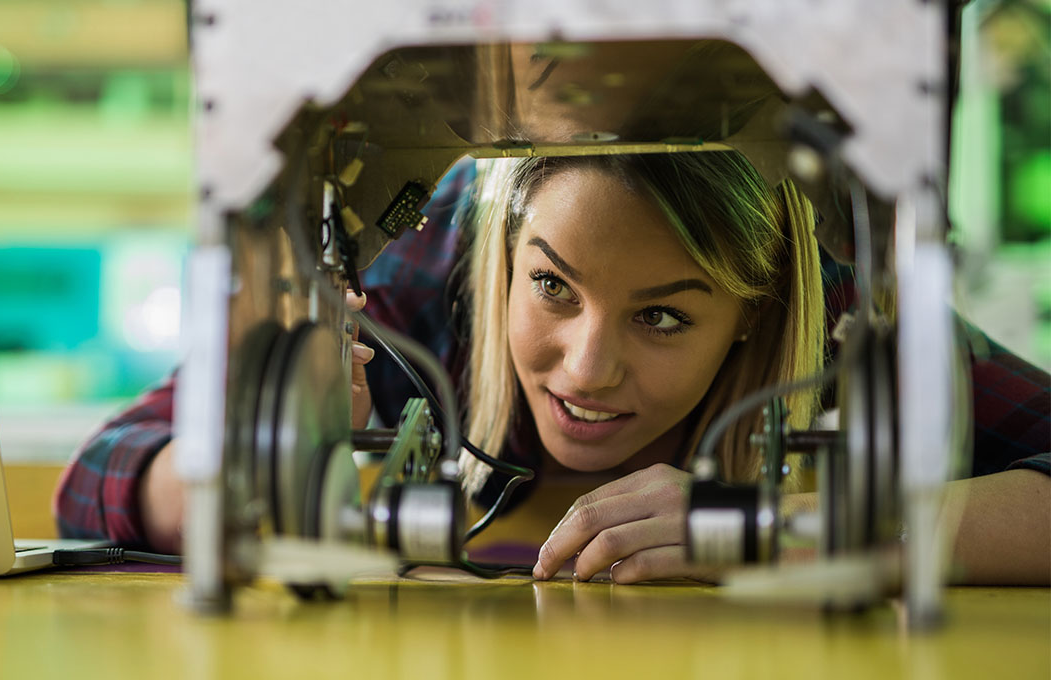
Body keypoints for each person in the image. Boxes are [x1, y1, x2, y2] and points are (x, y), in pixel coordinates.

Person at [56, 152, 1050, 585]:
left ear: (757, 313)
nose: (588, 366)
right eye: (553, 286)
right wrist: (248, 469)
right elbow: (101, 472)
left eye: (663, 313)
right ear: (501, 259)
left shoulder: (841, 309)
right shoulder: (438, 257)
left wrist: (793, 529)